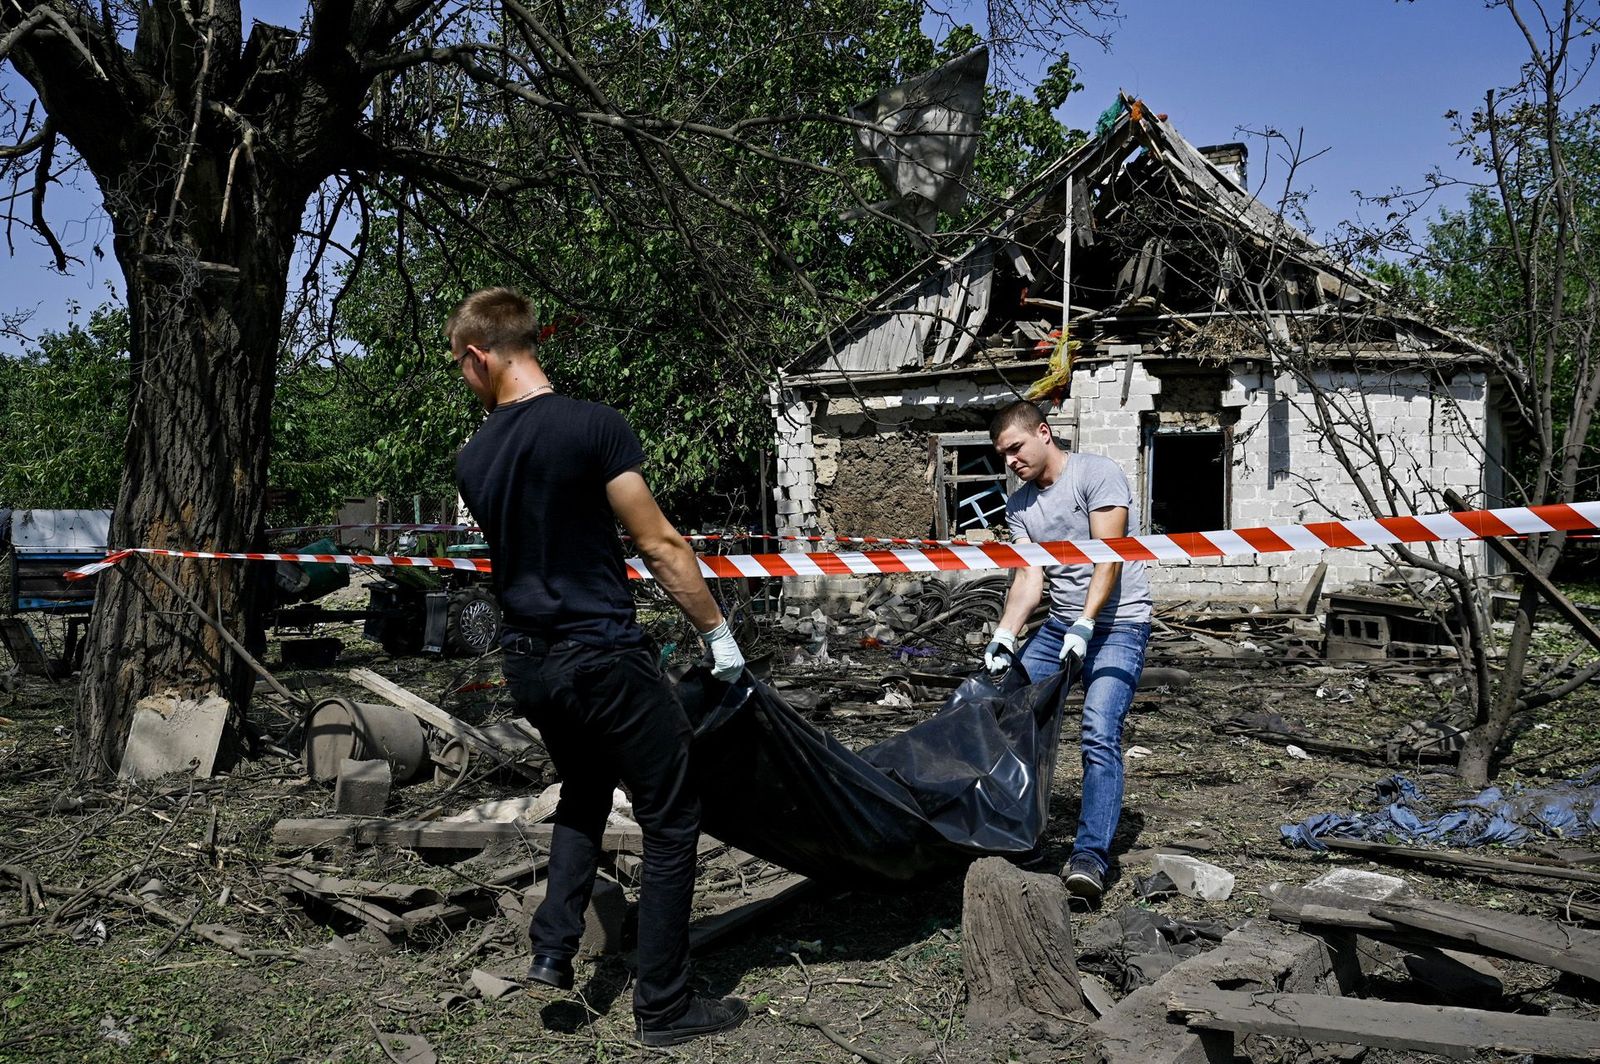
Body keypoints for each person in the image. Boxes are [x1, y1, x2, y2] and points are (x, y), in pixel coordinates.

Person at [448, 287, 747, 1046]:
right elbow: (659, 545)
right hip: (602, 656)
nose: (462, 379)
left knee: (584, 788)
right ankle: (666, 1007)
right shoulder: (594, 427)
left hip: (530, 667)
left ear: (482, 355)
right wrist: (716, 633)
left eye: (460, 367)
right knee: (674, 818)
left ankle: (553, 947)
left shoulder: (474, 456)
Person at [982, 400, 1153, 903]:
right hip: (1060, 625)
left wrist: (1087, 621)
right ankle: (1024, 836)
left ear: (1044, 432)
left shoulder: (1095, 474)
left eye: (1015, 448)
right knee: (1014, 716)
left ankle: (1089, 859)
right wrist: (1006, 635)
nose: (1010, 461)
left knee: (1099, 730)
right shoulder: (1019, 507)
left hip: (1119, 624)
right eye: (1002, 455)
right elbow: (1029, 577)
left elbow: (1110, 559)